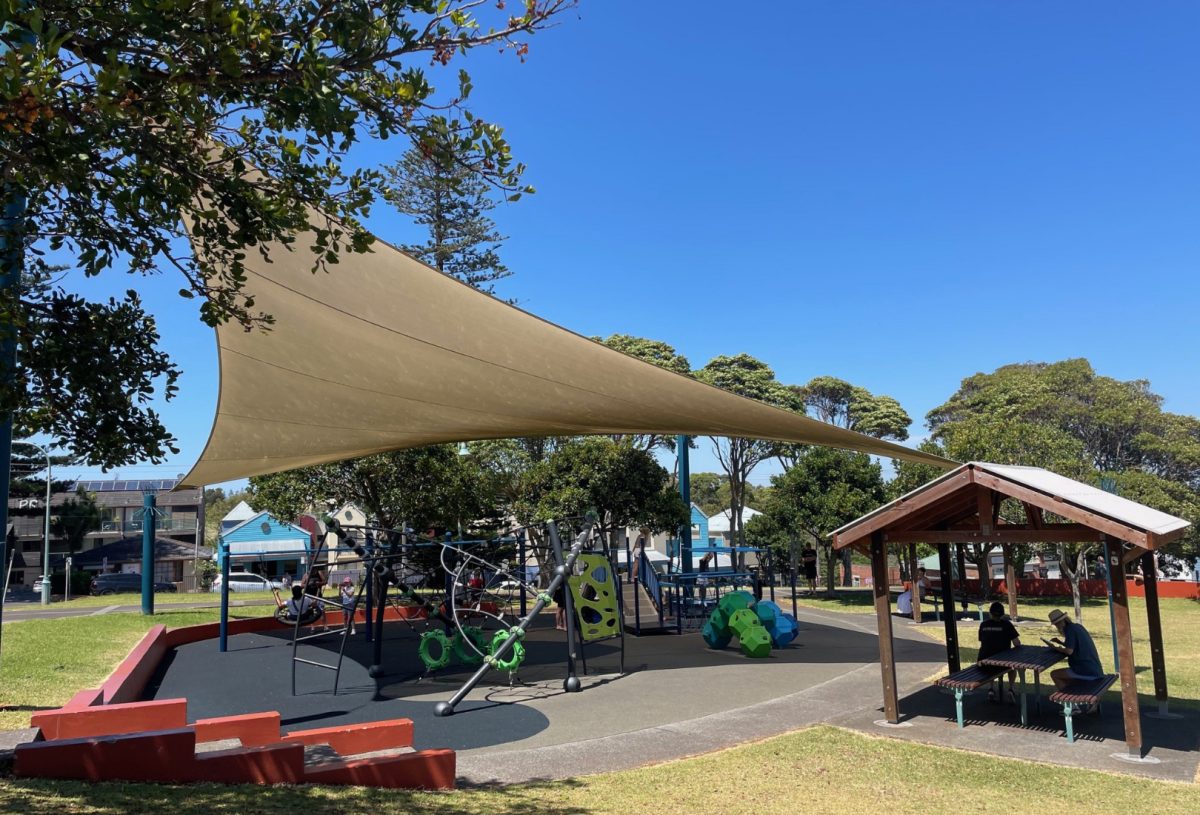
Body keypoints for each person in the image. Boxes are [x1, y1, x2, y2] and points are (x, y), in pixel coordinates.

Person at [1046, 609, 1104, 711]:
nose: (1057, 627)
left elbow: (1069, 651)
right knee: (1066, 676)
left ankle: (1072, 705)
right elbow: (1076, 645)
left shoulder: (1069, 630)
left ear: (1059, 623)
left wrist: (1054, 647)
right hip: (1094, 667)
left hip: (1084, 669)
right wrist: (1060, 642)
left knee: (1054, 674)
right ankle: (1076, 697)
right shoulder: (1077, 627)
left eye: (1056, 624)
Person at [978, 601, 1020, 702]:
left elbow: (982, 641)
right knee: (1012, 667)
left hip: (984, 663)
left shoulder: (983, 625)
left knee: (989, 661)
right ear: (1003, 614)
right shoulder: (1007, 624)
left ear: (990, 613)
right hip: (1003, 663)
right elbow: (1016, 643)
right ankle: (1011, 688)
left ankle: (991, 689)